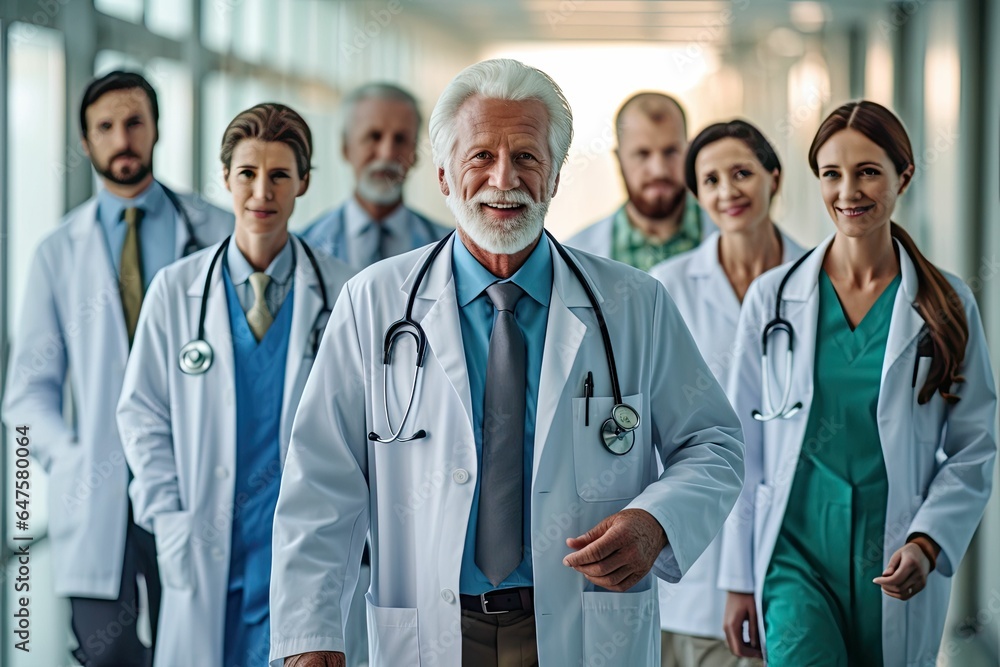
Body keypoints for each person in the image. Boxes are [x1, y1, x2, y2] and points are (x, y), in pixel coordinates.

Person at [267, 58, 745, 667]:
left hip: (578, 623)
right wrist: (309, 635)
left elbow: (713, 442)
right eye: (479, 157)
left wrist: (657, 521)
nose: (504, 178)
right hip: (429, 628)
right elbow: (321, 480)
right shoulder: (375, 301)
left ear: (555, 173)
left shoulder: (633, 303)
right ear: (442, 174)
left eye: (525, 157)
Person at [719, 101, 997, 667]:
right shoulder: (774, 298)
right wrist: (737, 578)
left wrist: (928, 541)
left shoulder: (944, 303)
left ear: (904, 176)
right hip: (794, 551)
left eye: (868, 170)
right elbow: (736, 444)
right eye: (832, 174)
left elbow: (975, 445)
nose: (849, 190)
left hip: (893, 551)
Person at [1, 70, 232, 666]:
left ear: (155, 129)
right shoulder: (58, 251)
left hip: (190, 477)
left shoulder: (214, 232)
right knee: (108, 654)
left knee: (198, 645)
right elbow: (26, 392)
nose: (121, 138)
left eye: (134, 122)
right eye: (105, 127)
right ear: (85, 142)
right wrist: (69, 454)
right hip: (97, 484)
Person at [116, 103, 354, 667]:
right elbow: (142, 413)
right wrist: (167, 516)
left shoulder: (345, 292)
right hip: (202, 545)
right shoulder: (176, 291)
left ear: (304, 184)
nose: (261, 192)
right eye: (247, 173)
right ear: (225, 178)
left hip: (303, 550)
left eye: (279, 175)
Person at [649, 120, 805, 667]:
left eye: (742, 173)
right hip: (692, 568)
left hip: (795, 546)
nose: (727, 191)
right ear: (697, 196)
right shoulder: (665, 286)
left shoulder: (819, 280)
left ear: (774, 178)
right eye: (710, 180)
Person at [301, 82, 450, 268]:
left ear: (415, 153)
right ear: (346, 148)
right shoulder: (303, 249)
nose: (387, 153)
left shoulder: (450, 249)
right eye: (374, 136)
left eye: (401, 139)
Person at [566, 91, 713, 271]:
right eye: (642, 154)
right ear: (619, 160)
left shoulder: (734, 235)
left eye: (671, 152)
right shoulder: (571, 259)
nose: (659, 170)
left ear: (689, 153)